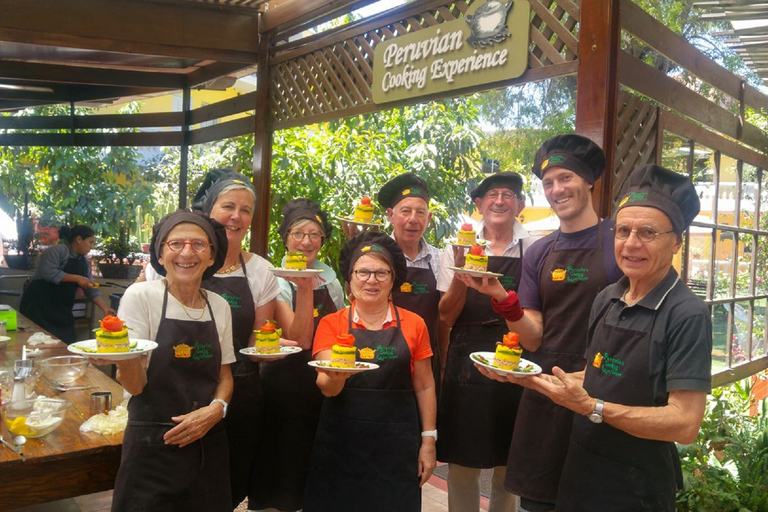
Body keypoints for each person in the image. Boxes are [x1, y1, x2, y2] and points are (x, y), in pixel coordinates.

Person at [479, 164, 711, 511]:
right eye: (623, 230)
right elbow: (596, 375)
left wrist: (593, 407)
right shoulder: (608, 298)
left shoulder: (686, 314)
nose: (631, 243)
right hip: (581, 465)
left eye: (648, 232)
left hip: (635, 484)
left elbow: (685, 422)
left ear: (676, 242)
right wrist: (528, 377)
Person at [465, 134, 623, 512]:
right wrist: (503, 298)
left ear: (588, 181)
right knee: (538, 503)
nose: (556, 189)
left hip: (605, 391)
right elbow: (533, 339)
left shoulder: (619, 240)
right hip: (546, 392)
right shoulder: (539, 252)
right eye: (548, 182)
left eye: (565, 178)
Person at [142, 168, 281, 508]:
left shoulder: (260, 270)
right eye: (228, 206)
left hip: (240, 391)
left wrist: (271, 350)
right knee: (174, 488)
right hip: (175, 393)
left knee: (226, 489)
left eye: (246, 209)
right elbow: (141, 335)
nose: (236, 216)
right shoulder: (178, 261)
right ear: (209, 212)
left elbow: (258, 338)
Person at [110, 210, 235, 512]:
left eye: (198, 244)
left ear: (211, 256)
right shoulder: (141, 297)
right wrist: (123, 359)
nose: (187, 253)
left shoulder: (218, 306)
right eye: (176, 244)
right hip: (153, 446)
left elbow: (225, 376)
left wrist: (216, 410)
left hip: (208, 444)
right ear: (161, 253)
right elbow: (135, 385)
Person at [304, 232, 437, 512]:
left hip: (397, 446)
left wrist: (428, 441)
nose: (371, 280)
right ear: (350, 278)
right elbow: (326, 386)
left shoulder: (415, 324)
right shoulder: (331, 324)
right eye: (363, 272)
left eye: (380, 273)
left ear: (393, 280)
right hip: (341, 444)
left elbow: (424, 385)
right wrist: (337, 377)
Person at [436, 167, 533, 512]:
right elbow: (446, 315)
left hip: (516, 357)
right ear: (479, 204)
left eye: (508, 194)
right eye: (492, 195)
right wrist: (462, 272)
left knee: (508, 462)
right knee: (462, 463)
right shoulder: (456, 247)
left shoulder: (534, 247)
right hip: (466, 358)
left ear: (520, 204)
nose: (500, 200)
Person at [250, 198, 345, 512]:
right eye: (298, 234)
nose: (306, 241)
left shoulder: (330, 278)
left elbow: (340, 325)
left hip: (323, 383)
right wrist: (303, 285)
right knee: (282, 464)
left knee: (315, 464)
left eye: (314, 235)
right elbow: (299, 336)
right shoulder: (273, 278)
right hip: (284, 383)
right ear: (286, 238)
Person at [377, 172, 443, 393]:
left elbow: (445, 318)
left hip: (426, 359)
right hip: (382, 357)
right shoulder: (377, 257)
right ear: (390, 215)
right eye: (405, 211)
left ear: (429, 218)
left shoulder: (440, 259)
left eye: (420, 212)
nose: (413, 219)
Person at [19, 225, 115, 344]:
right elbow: (48, 272)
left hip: (61, 312)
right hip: (39, 308)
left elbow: (90, 289)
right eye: (90, 242)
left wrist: (105, 308)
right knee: (37, 344)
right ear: (79, 239)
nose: (92, 246)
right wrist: (76, 278)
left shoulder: (84, 262)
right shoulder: (58, 251)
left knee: (67, 345)